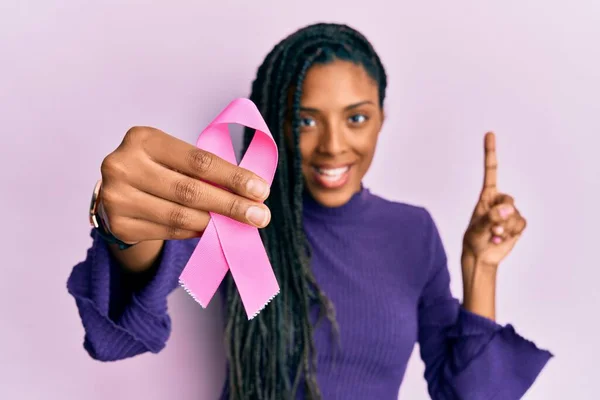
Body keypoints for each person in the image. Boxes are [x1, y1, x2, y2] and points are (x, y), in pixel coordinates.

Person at [67, 23, 552, 400]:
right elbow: (135, 301)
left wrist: (481, 270)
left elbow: (470, 394)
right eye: (305, 120)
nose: (333, 146)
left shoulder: (413, 231)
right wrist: (121, 229)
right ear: (273, 123)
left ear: (382, 117)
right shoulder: (241, 220)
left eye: (356, 117)